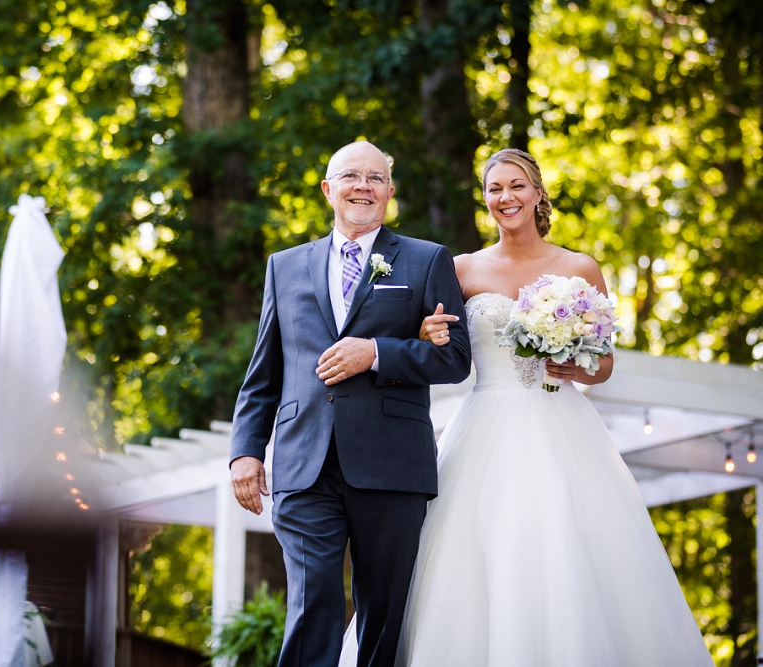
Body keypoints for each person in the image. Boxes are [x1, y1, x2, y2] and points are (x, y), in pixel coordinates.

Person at [339, 148, 714, 666]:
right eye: (495, 189)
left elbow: (604, 365)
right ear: (486, 199)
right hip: (485, 421)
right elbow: (440, 351)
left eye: (516, 186)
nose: (505, 197)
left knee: (570, 548)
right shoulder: (460, 268)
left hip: (561, 420)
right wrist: (427, 332)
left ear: (538, 193)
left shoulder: (579, 267)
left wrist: (578, 367)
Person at [229, 141, 472, 667]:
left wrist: (378, 353)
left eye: (375, 177)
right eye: (350, 176)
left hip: (391, 462)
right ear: (328, 190)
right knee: (311, 599)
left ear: (389, 191)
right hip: (303, 461)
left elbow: (454, 359)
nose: (363, 186)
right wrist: (245, 451)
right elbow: (263, 373)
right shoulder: (284, 266)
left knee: (382, 610)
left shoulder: (428, 259)